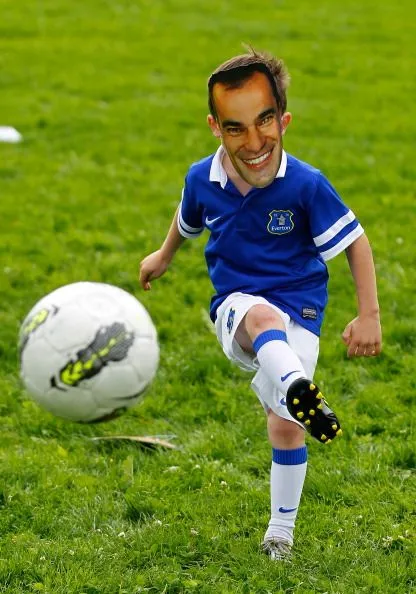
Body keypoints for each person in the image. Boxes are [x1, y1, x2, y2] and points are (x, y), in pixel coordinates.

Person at [139, 48, 382, 561]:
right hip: (236, 309)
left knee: (286, 426)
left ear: (283, 120)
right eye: (235, 128)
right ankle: (296, 386)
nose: (252, 143)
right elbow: (187, 220)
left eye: (264, 122)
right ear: (215, 128)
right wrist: (163, 256)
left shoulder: (306, 185)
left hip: (302, 314)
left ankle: (280, 533)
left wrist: (369, 315)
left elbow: (355, 242)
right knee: (260, 316)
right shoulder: (201, 178)